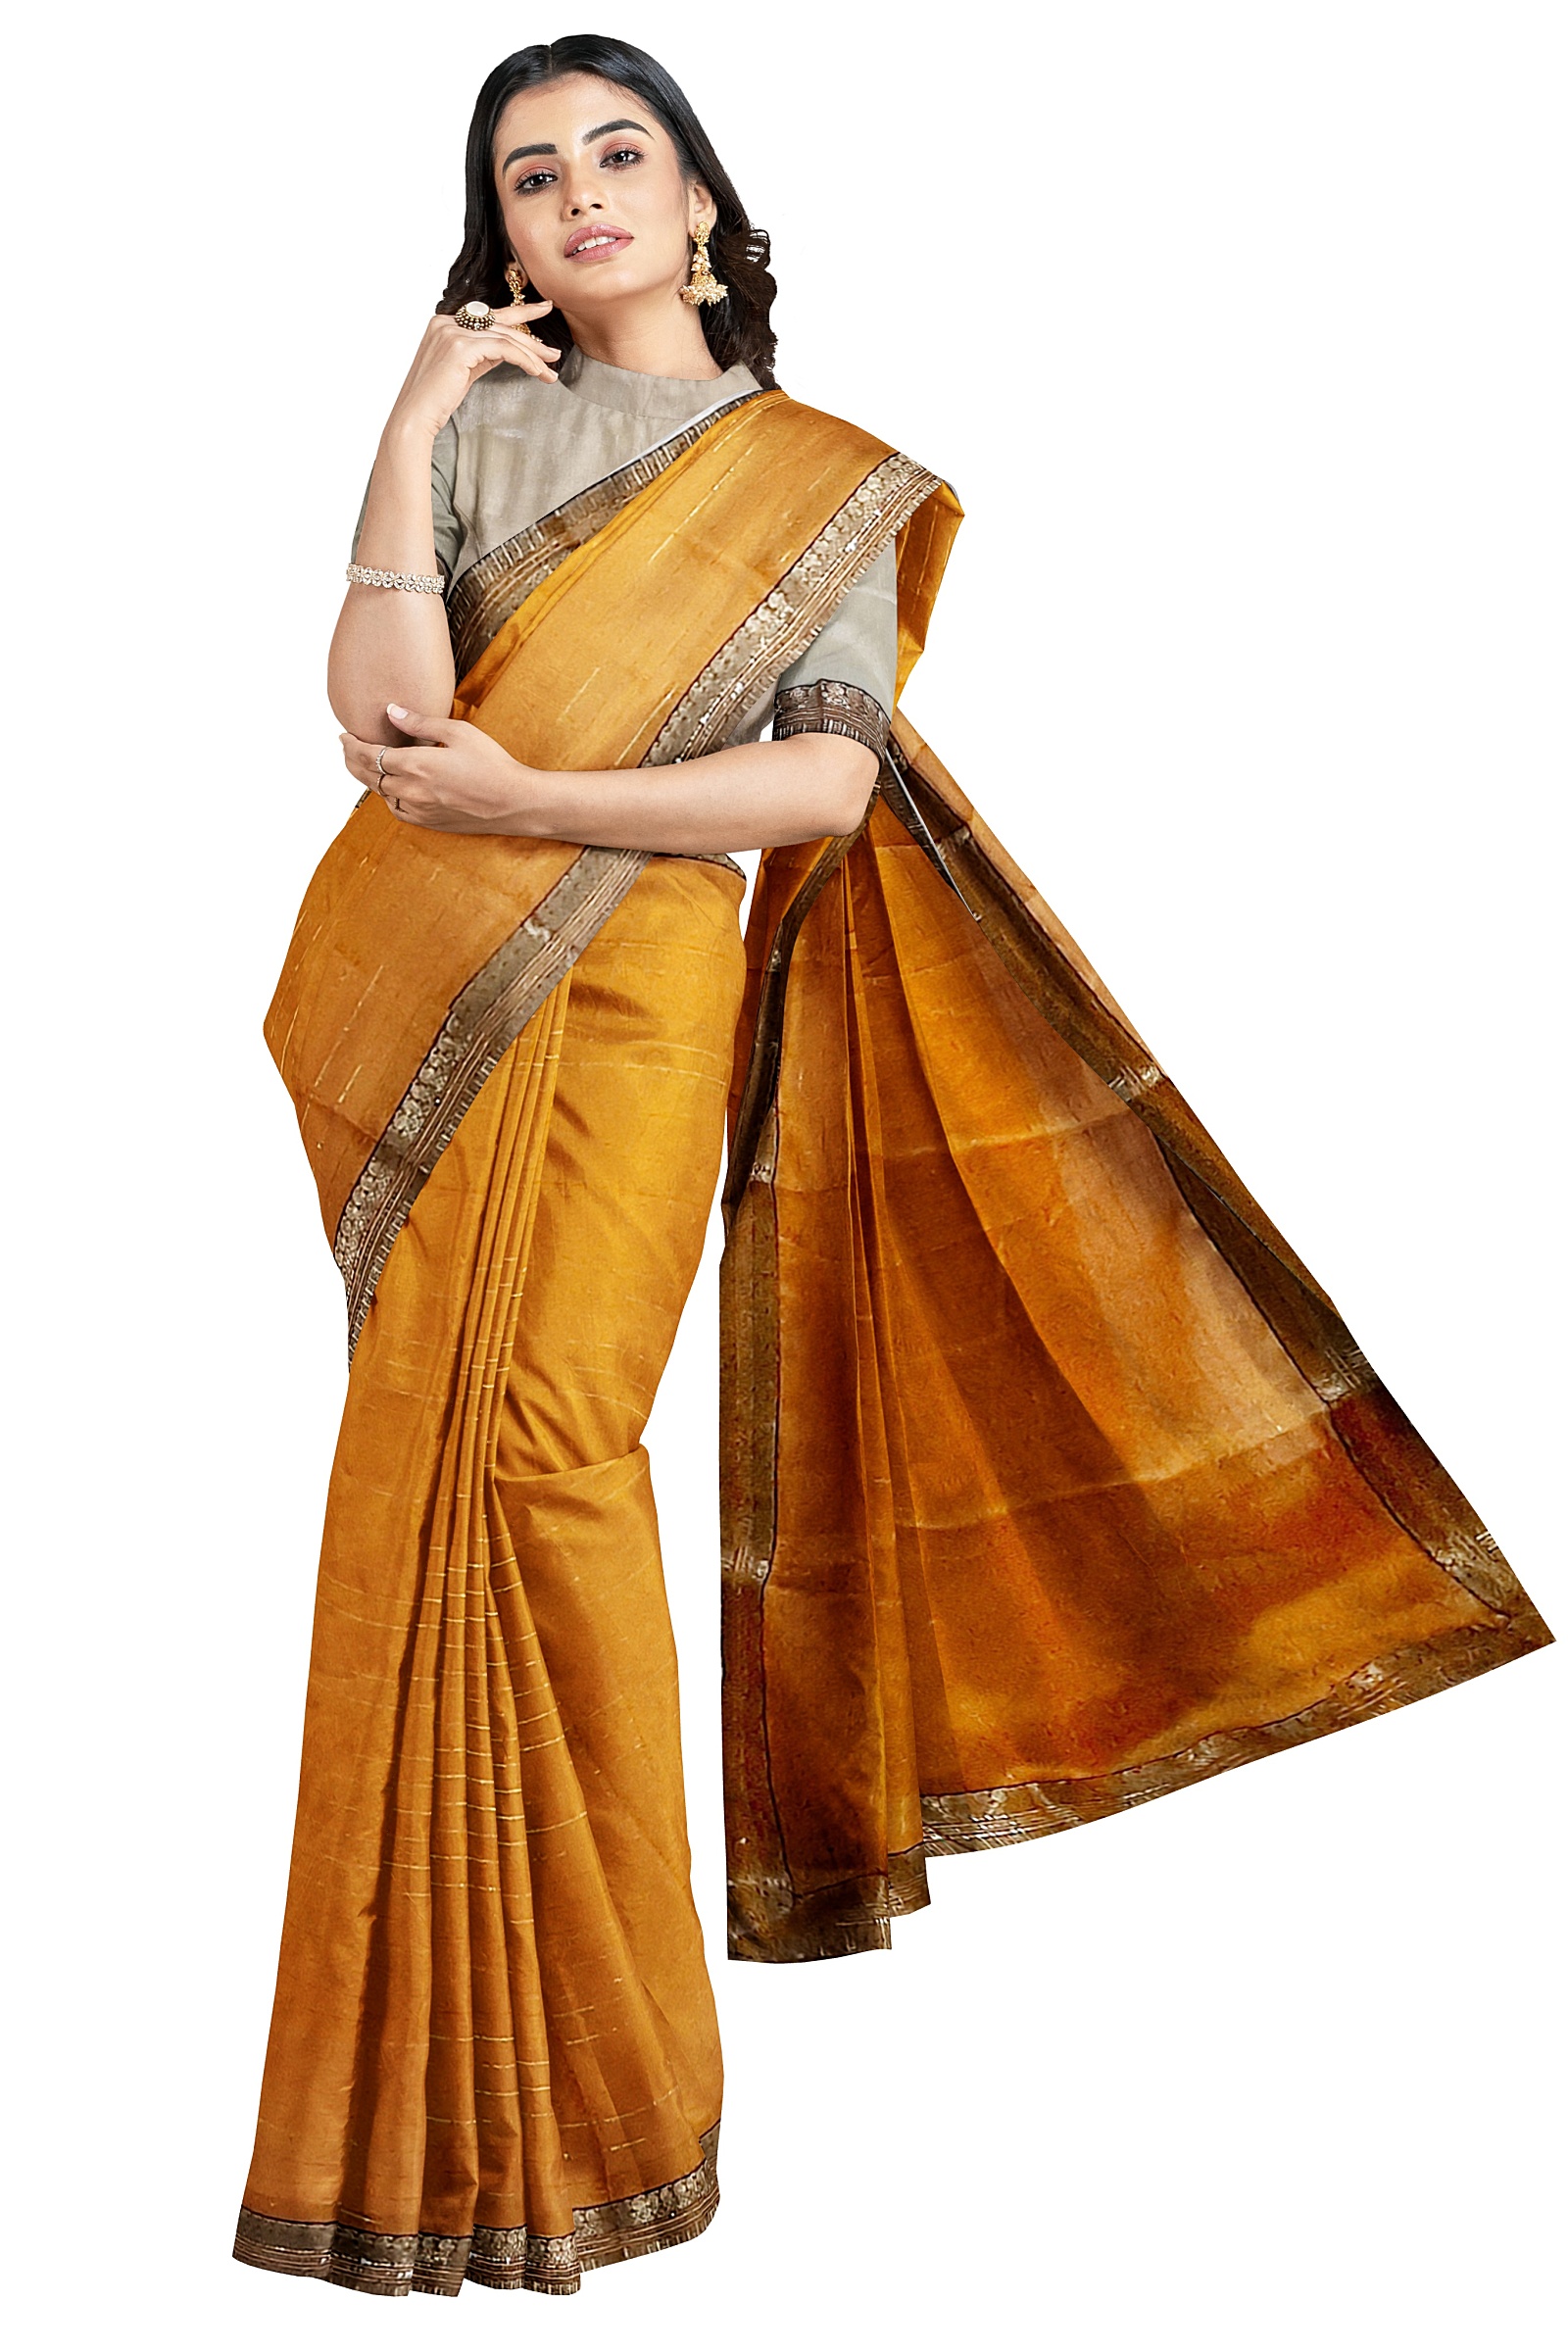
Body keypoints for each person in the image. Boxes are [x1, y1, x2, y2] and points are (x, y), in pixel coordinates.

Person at [233, 32, 1554, 2302]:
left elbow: (819, 792)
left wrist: (538, 802)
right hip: (425, 981)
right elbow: (377, 719)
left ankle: (597, 2096)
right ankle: (445, 2115)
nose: (575, 193)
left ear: (701, 202)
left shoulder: (822, 480)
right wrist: (405, 410)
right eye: (527, 174)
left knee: (544, 1457)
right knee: (423, 1472)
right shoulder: (470, 433)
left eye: (616, 152)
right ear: (499, 230)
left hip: (642, 983)